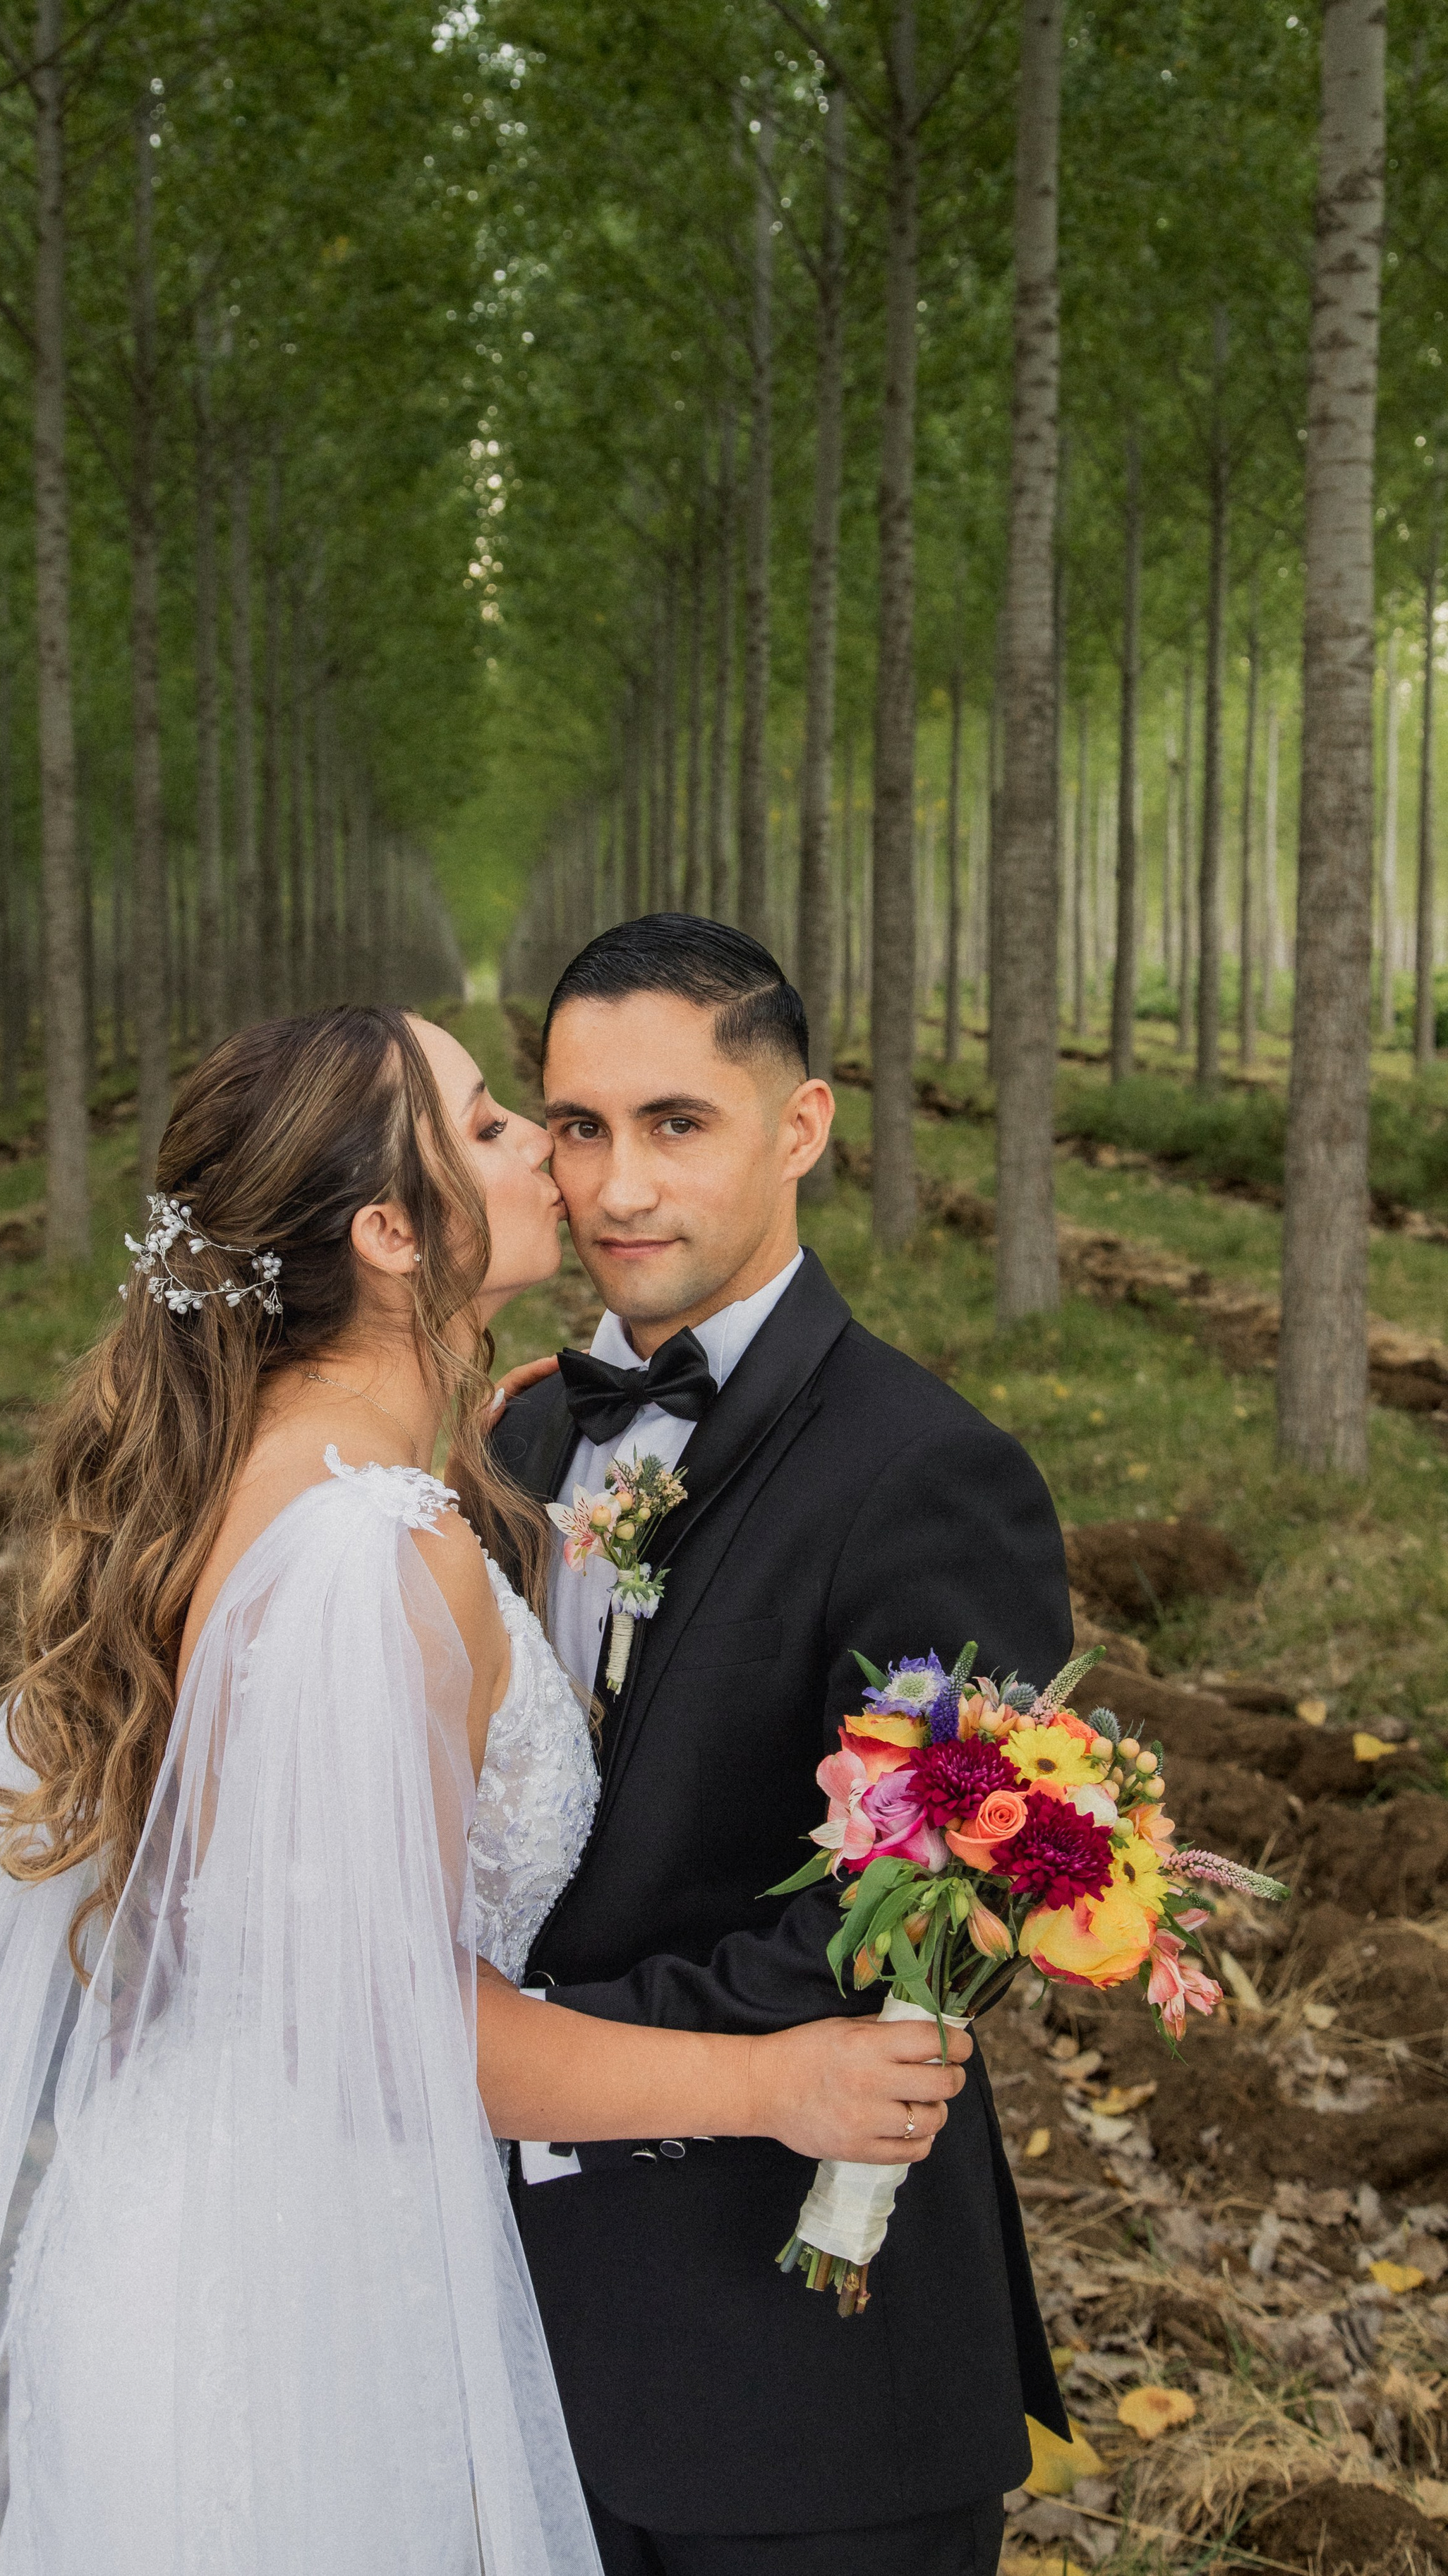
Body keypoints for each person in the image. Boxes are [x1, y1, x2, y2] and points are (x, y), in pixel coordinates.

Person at [0, 1004, 967, 2576]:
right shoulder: (365, 1554)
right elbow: (389, 2022)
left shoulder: (291, 1479)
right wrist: (770, 2086)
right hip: (296, 2288)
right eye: (490, 1123)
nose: (548, 1144)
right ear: (393, 1232)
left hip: (210, 2199)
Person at [491, 918, 1073, 2576]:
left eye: (675, 1123)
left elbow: (903, 1922)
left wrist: (516, 2061)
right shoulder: (527, 1431)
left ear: (799, 1127)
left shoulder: (926, 1474)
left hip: (802, 2377)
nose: (615, 1187)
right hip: (509, 2355)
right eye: (576, 1128)